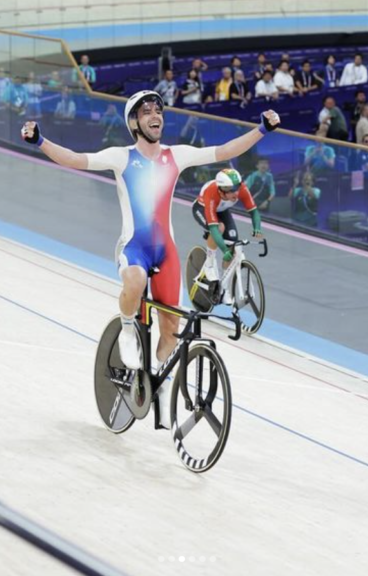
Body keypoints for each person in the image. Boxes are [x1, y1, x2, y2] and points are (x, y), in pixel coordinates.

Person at [21, 92, 280, 429]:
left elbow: (226, 151)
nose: (155, 115)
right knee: (135, 281)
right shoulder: (121, 157)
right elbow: (74, 159)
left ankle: (156, 376)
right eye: (147, 112)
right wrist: (40, 140)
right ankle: (128, 328)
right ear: (135, 123)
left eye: (158, 110)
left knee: (171, 331)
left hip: (165, 250)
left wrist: (262, 129)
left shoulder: (176, 156)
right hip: (135, 248)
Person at [191, 169, 262, 297]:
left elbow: (254, 211)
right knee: (220, 228)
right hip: (202, 209)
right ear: (221, 190)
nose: (236, 193)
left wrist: (257, 227)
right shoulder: (212, 193)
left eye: (237, 188)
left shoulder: (242, 190)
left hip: (222, 210)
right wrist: (224, 250)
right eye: (232, 190)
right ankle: (209, 264)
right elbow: (214, 228)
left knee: (233, 244)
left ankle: (223, 288)